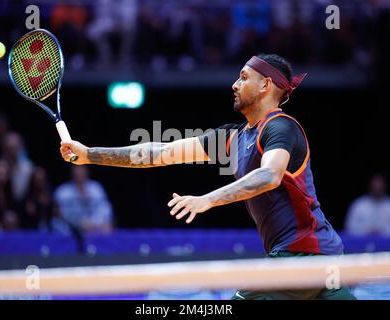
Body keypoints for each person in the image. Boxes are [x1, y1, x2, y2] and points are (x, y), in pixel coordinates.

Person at [60, 53, 356, 300]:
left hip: (304, 257)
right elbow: (160, 152)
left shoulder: (281, 127)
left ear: (266, 85)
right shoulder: (234, 138)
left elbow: (269, 176)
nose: (234, 84)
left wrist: (207, 200)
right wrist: (90, 154)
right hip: (316, 259)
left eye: (243, 77)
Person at [53, 166, 114, 234]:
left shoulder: (96, 189)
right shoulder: (63, 192)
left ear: (87, 172)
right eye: (77, 172)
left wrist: (95, 224)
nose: (79, 174)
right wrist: (80, 224)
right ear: (72, 173)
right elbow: (60, 214)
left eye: (81, 171)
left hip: (95, 229)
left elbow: (105, 210)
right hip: (69, 231)